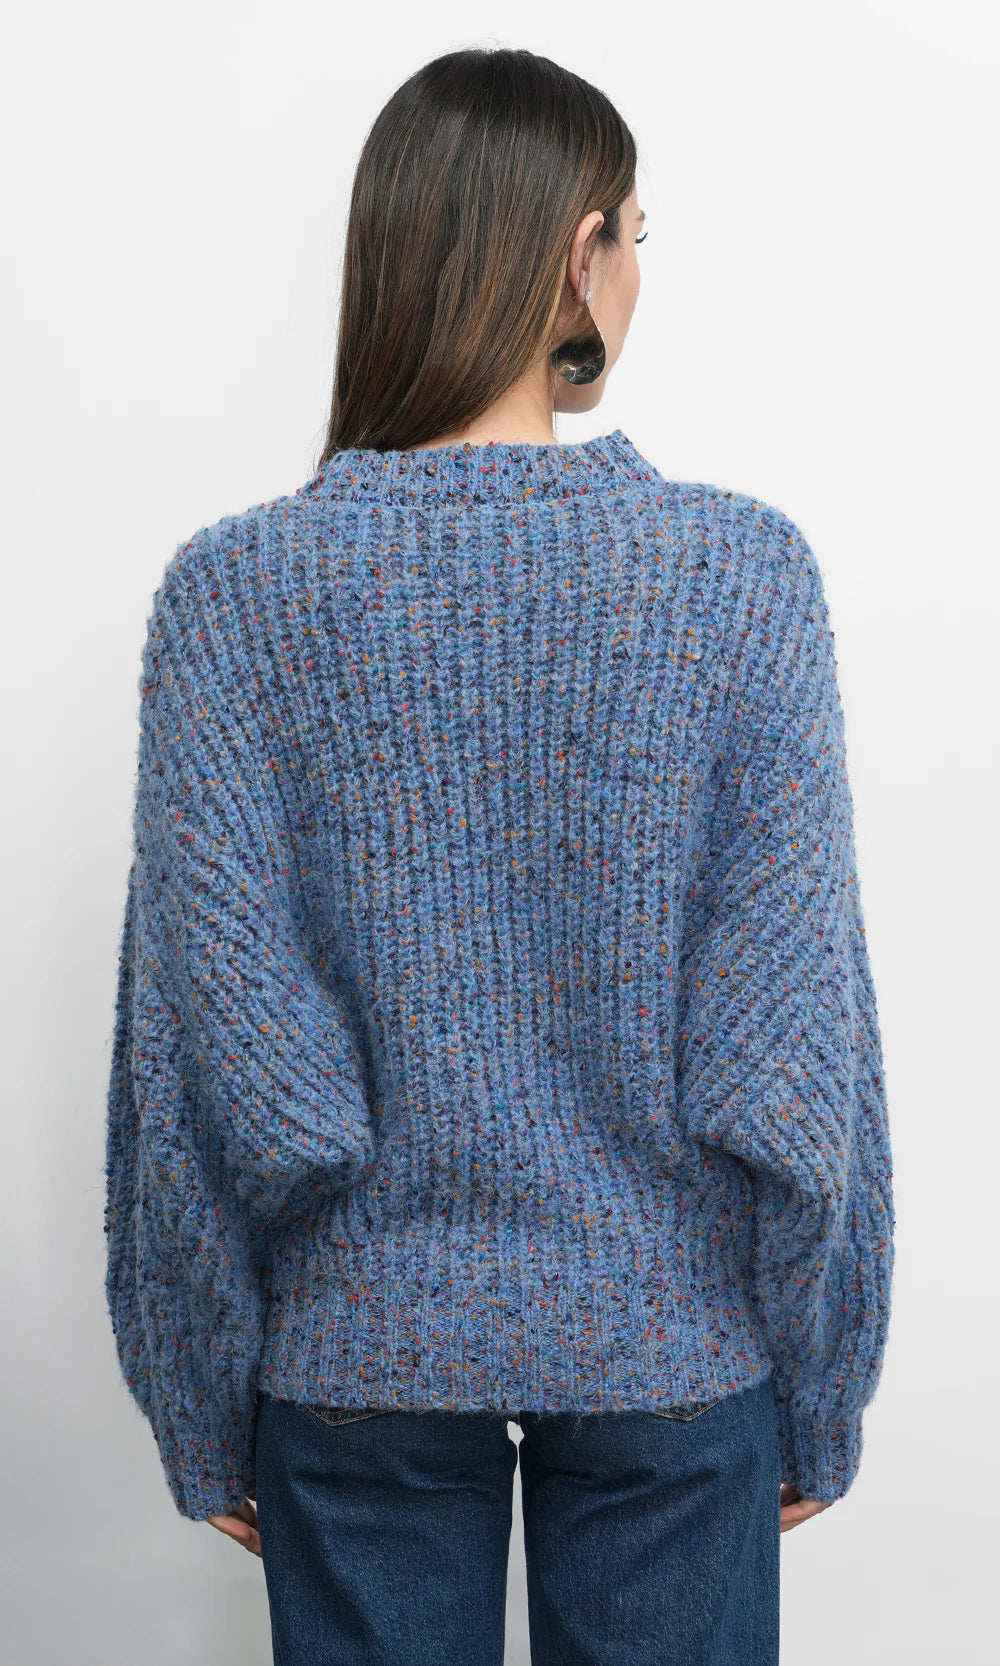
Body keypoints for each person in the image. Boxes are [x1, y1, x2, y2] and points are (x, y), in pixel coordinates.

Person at [103, 44, 896, 1666]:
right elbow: (795, 1050)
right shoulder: (741, 579)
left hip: (358, 1352)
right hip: (673, 1349)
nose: (638, 276)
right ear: (578, 254)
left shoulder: (235, 599)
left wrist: (201, 1394)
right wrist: (821, 1379)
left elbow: (206, 1068)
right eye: (638, 239)